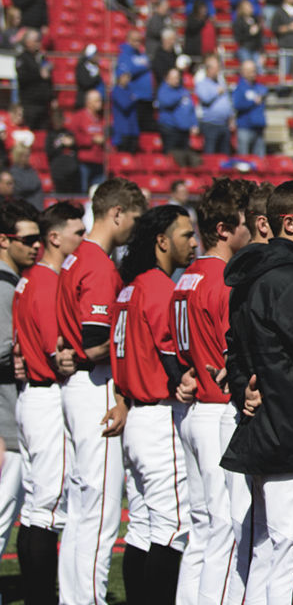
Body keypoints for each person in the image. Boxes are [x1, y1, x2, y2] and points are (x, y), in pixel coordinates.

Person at [220, 180, 293, 605]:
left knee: (267, 557)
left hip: (267, 429)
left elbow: (234, 351)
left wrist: (242, 390)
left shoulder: (253, 275)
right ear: (289, 223)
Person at [55, 178, 147, 605]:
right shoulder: (96, 264)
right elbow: (93, 341)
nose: (135, 227)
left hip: (75, 387)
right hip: (95, 388)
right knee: (101, 509)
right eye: (134, 218)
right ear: (116, 214)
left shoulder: (75, 259)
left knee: (81, 507)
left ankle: (75, 596)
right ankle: (87, 599)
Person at [169, 179, 252, 605]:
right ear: (223, 228)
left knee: (202, 530)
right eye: (244, 222)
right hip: (217, 407)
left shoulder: (186, 277)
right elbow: (230, 354)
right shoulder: (224, 279)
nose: (253, 230)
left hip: (192, 408)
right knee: (226, 529)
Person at [110, 205, 196, 604]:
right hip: (159, 415)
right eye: (184, 235)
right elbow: (168, 350)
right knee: (172, 528)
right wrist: (183, 376)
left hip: (136, 416)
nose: (192, 242)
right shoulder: (159, 286)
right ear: (161, 241)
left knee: (143, 528)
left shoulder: (130, 286)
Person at [12, 201, 84, 605]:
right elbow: (56, 348)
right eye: (76, 231)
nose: (82, 238)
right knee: (48, 506)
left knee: (39, 503)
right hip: (44, 394)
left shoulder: (33, 278)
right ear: (54, 237)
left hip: (34, 395)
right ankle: (41, 597)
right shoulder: (44, 281)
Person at [0, 199, 39, 575]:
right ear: (3, 240)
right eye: (27, 238)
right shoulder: (4, 286)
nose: (35, 245)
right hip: (4, 428)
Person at [194, 55, 234, 156]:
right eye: (216, 69)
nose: (218, 72)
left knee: (225, 155)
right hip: (210, 124)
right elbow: (205, 98)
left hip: (224, 124)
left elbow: (228, 102)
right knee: (210, 154)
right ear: (209, 69)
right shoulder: (202, 84)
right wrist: (217, 92)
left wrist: (231, 117)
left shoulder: (221, 83)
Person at [16, 29, 53, 131]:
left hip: (44, 104)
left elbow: (48, 79)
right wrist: (39, 74)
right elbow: (23, 77)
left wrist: (52, 97)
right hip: (30, 104)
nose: (39, 43)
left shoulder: (41, 58)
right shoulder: (22, 58)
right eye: (37, 40)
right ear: (28, 42)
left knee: (43, 133)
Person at [233, 60, 268, 156]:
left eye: (254, 70)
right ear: (243, 72)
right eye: (250, 71)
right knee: (244, 159)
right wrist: (253, 102)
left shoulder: (259, 87)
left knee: (259, 159)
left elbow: (265, 92)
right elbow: (237, 105)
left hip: (258, 127)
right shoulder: (239, 88)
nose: (253, 73)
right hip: (245, 128)